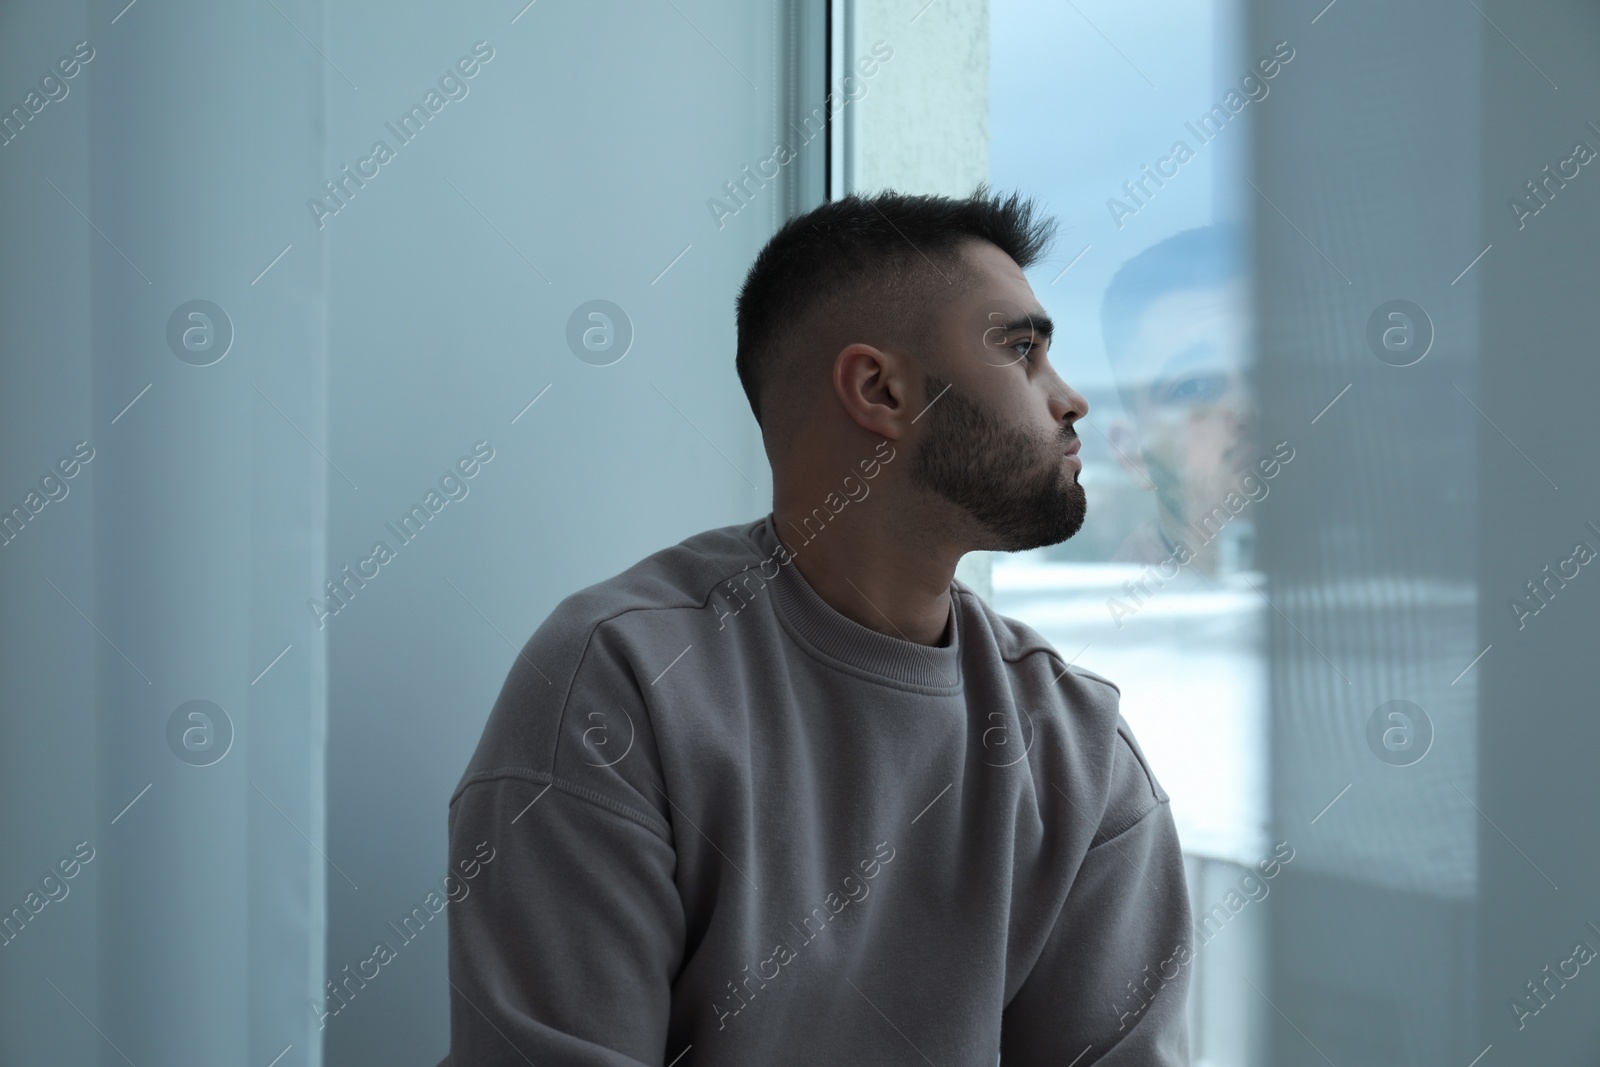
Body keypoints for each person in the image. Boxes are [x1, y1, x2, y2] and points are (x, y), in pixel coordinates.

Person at [441, 187, 1193, 1065]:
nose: (1070, 400)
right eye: (1021, 349)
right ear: (879, 389)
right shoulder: (619, 685)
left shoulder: (1079, 746)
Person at [1101, 225, 1259, 578]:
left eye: (1269, 370)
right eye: (1194, 387)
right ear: (1132, 453)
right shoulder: (1099, 625)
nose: (1246, 408)